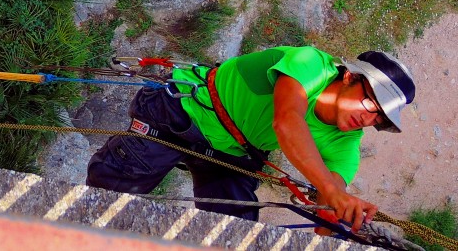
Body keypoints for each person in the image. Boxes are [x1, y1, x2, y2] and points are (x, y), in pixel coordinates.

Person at [86, 46, 416, 232]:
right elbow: (287, 121)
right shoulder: (311, 64)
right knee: (107, 196)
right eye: (371, 102)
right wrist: (330, 193)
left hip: (230, 153)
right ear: (349, 76)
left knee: (234, 233)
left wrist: (334, 213)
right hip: (180, 112)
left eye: (379, 119)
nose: (369, 117)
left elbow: (334, 187)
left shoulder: (346, 141)